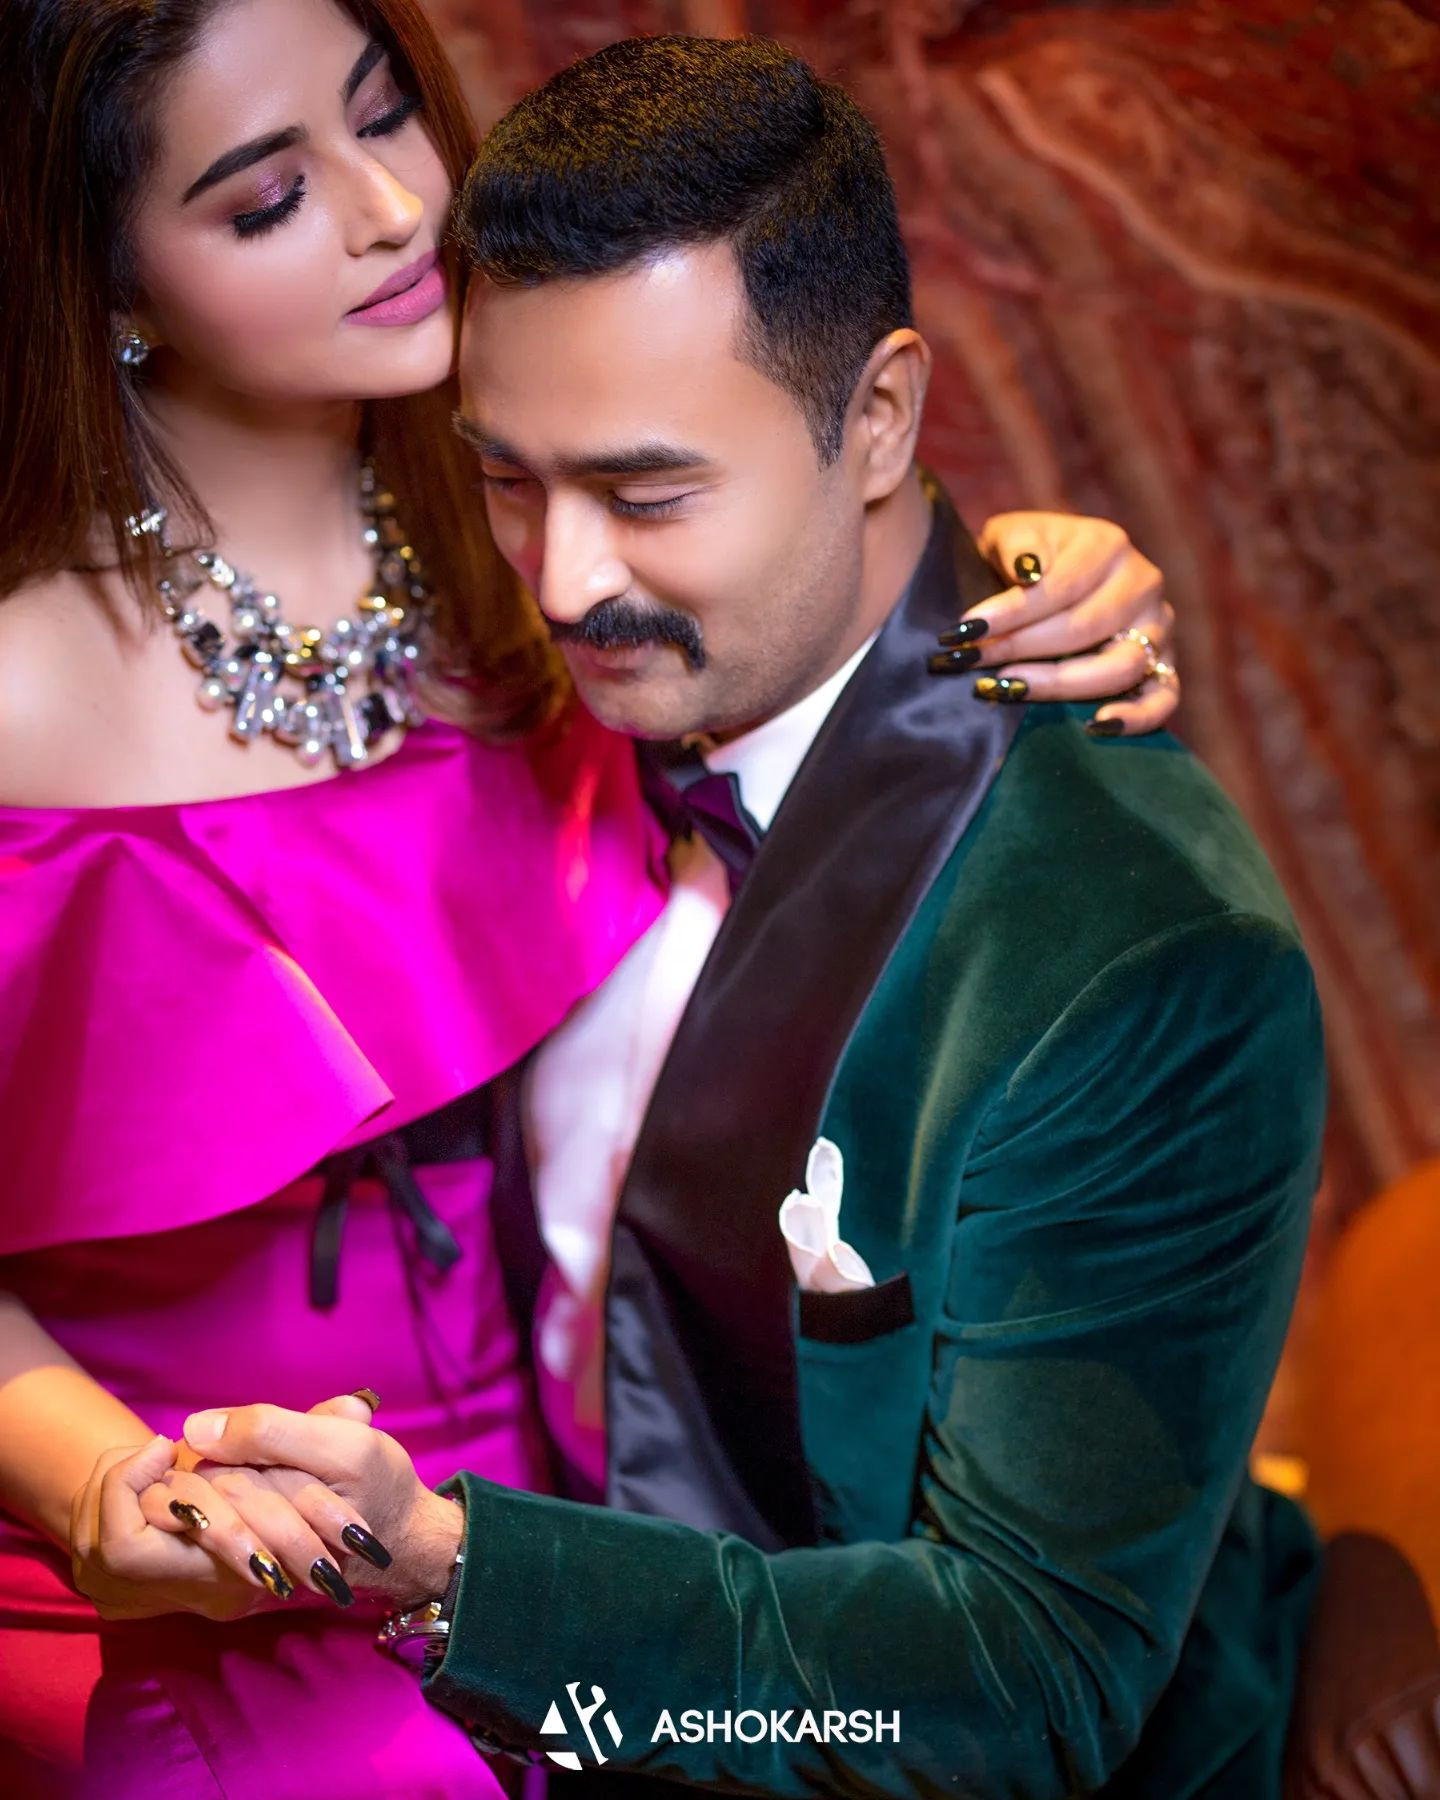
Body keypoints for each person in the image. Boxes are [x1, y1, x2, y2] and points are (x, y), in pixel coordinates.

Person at [0, 3, 1176, 1796]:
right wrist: (95, 1480)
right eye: (267, 200)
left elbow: (813, 562)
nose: (398, 211)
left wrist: (1012, 573)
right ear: (107, 273)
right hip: (186, 1545)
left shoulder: (541, 556)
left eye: (389, 114)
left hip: (593, 1500)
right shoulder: (21, 692)